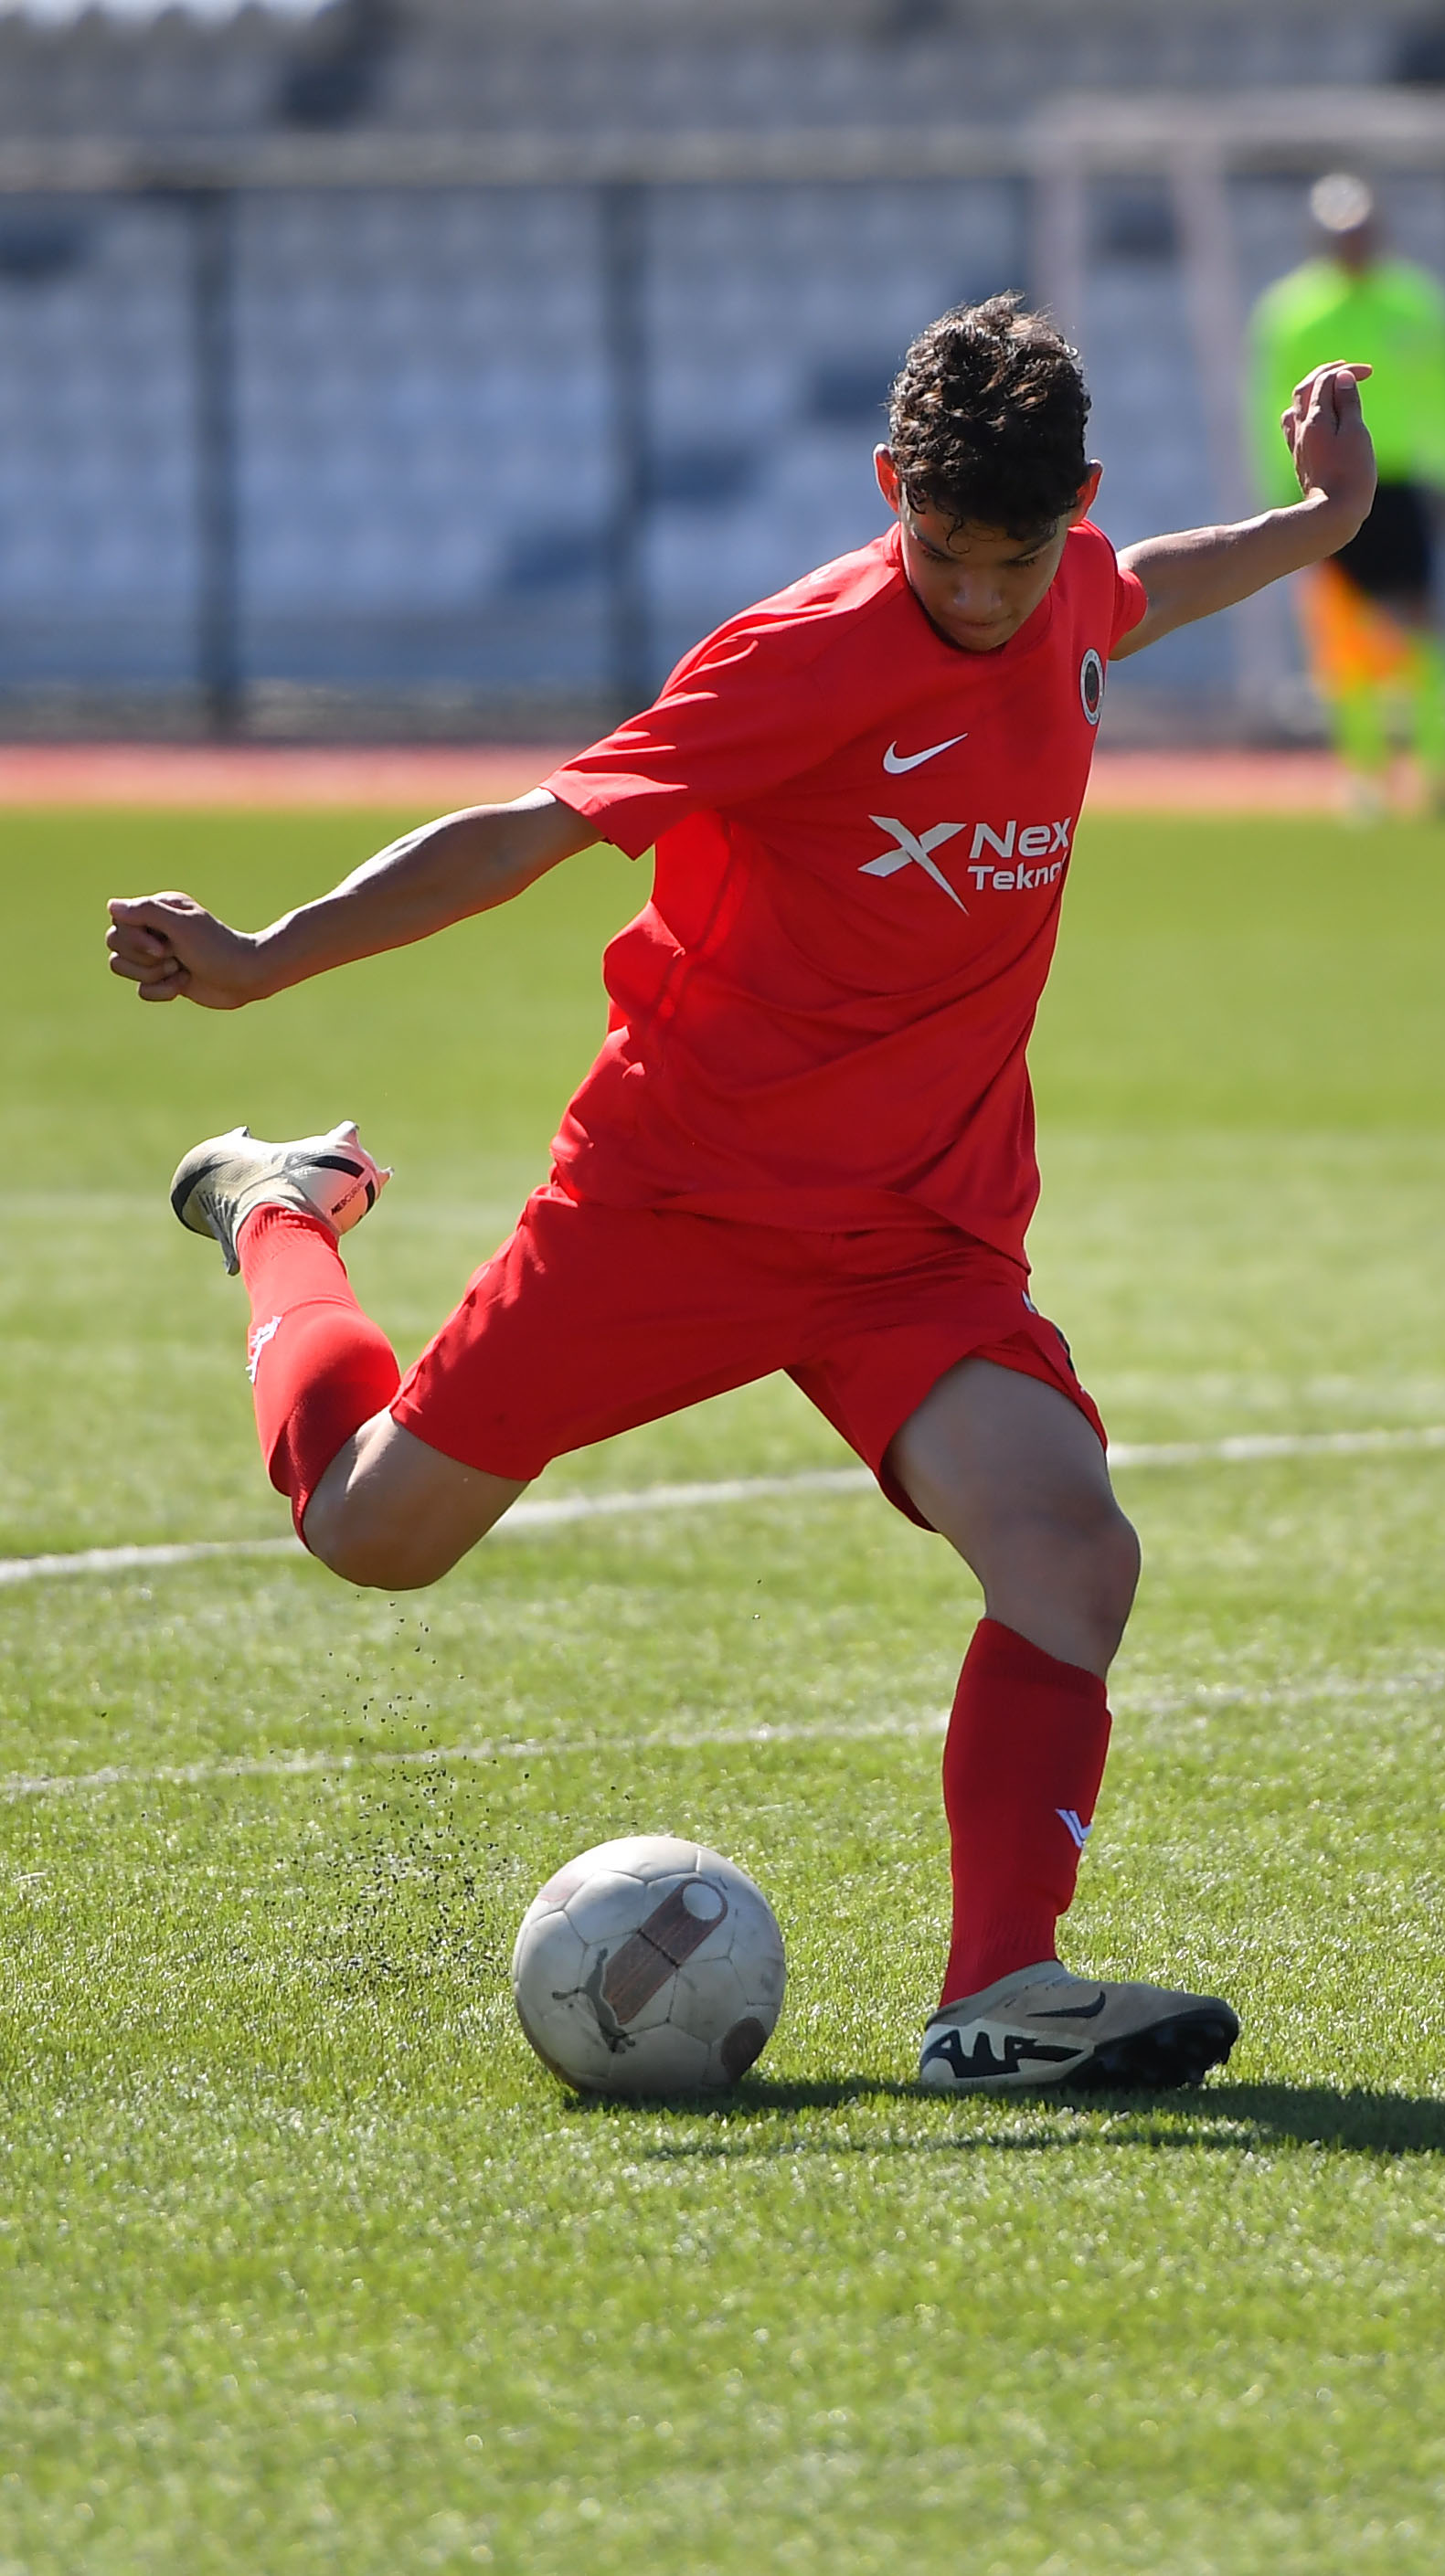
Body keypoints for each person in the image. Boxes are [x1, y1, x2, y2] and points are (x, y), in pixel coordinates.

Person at [104, 296, 1376, 2092]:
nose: (981, 595)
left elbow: (1150, 579)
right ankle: (280, 1208)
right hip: (677, 1200)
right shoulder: (802, 656)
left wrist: (1322, 524)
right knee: (368, 1533)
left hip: (913, 1236)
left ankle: (997, 1990)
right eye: (941, 549)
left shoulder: (1071, 588)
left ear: (1066, 512)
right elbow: (531, 825)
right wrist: (270, 951)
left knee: (1072, 1547)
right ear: (887, 493)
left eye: (1013, 560)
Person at [1246, 173, 1445, 820]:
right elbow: (1271, 404)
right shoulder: (1291, 313)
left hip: (1399, 482)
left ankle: (1441, 771)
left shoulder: (1414, 304)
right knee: (1342, 634)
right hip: (1325, 486)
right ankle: (1367, 776)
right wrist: (1285, 490)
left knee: (1423, 628)